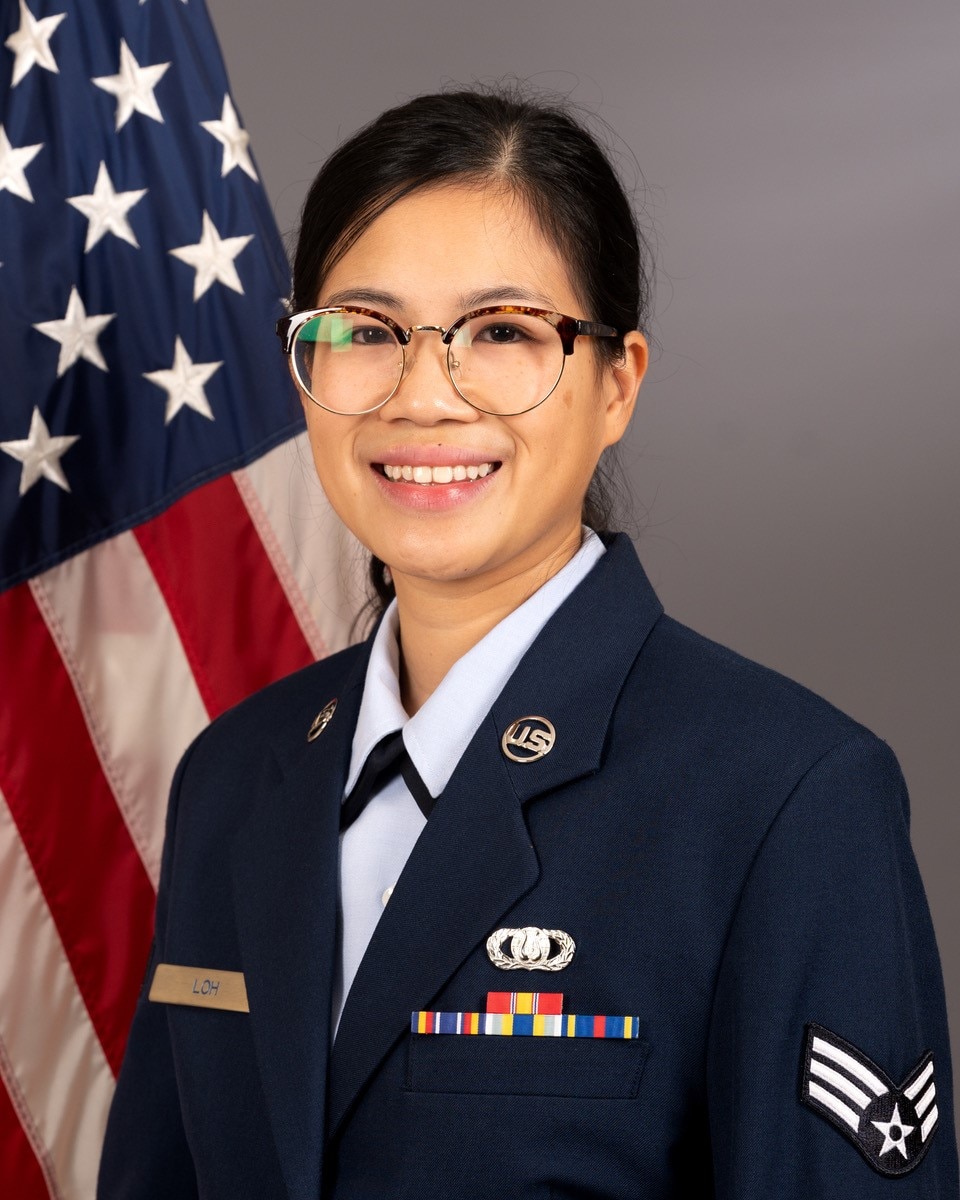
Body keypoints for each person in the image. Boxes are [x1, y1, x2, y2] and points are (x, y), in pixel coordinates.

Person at [98, 88, 957, 1198]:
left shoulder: (784, 797)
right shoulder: (237, 776)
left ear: (617, 384)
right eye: (365, 333)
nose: (423, 396)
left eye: (501, 333)